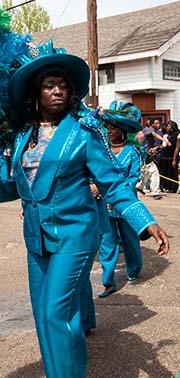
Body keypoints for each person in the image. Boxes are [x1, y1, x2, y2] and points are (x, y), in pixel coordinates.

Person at [0, 41, 169, 378]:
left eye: (63, 85)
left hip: (74, 236)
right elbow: (29, 186)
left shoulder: (84, 134)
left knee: (54, 313)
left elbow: (114, 185)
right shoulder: (24, 136)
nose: (58, 91)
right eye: (49, 85)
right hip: (36, 239)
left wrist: (144, 221)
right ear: (36, 94)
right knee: (50, 317)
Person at [98, 102, 143, 297]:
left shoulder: (132, 152)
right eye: (107, 127)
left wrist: (117, 193)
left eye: (113, 128)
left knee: (130, 241)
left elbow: (133, 178)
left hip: (125, 206)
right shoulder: (101, 152)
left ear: (122, 130)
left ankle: (133, 270)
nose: (109, 131)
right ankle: (108, 282)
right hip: (104, 206)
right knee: (107, 243)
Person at [159, 120, 179, 193]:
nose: (167, 127)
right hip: (165, 156)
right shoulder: (168, 135)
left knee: (173, 173)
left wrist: (174, 159)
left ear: (172, 127)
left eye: (168, 126)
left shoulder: (176, 134)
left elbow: (175, 147)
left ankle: (174, 188)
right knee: (165, 172)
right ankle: (167, 187)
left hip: (172, 157)